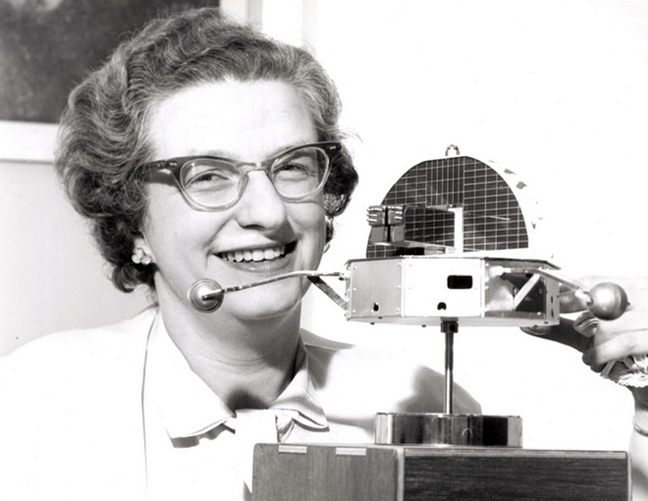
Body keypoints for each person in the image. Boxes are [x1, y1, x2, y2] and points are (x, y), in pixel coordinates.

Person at [0, 6, 646, 501]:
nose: (267, 212)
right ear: (131, 220)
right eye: (208, 175)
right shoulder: (36, 401)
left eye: (292, 166)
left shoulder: (420, 399)